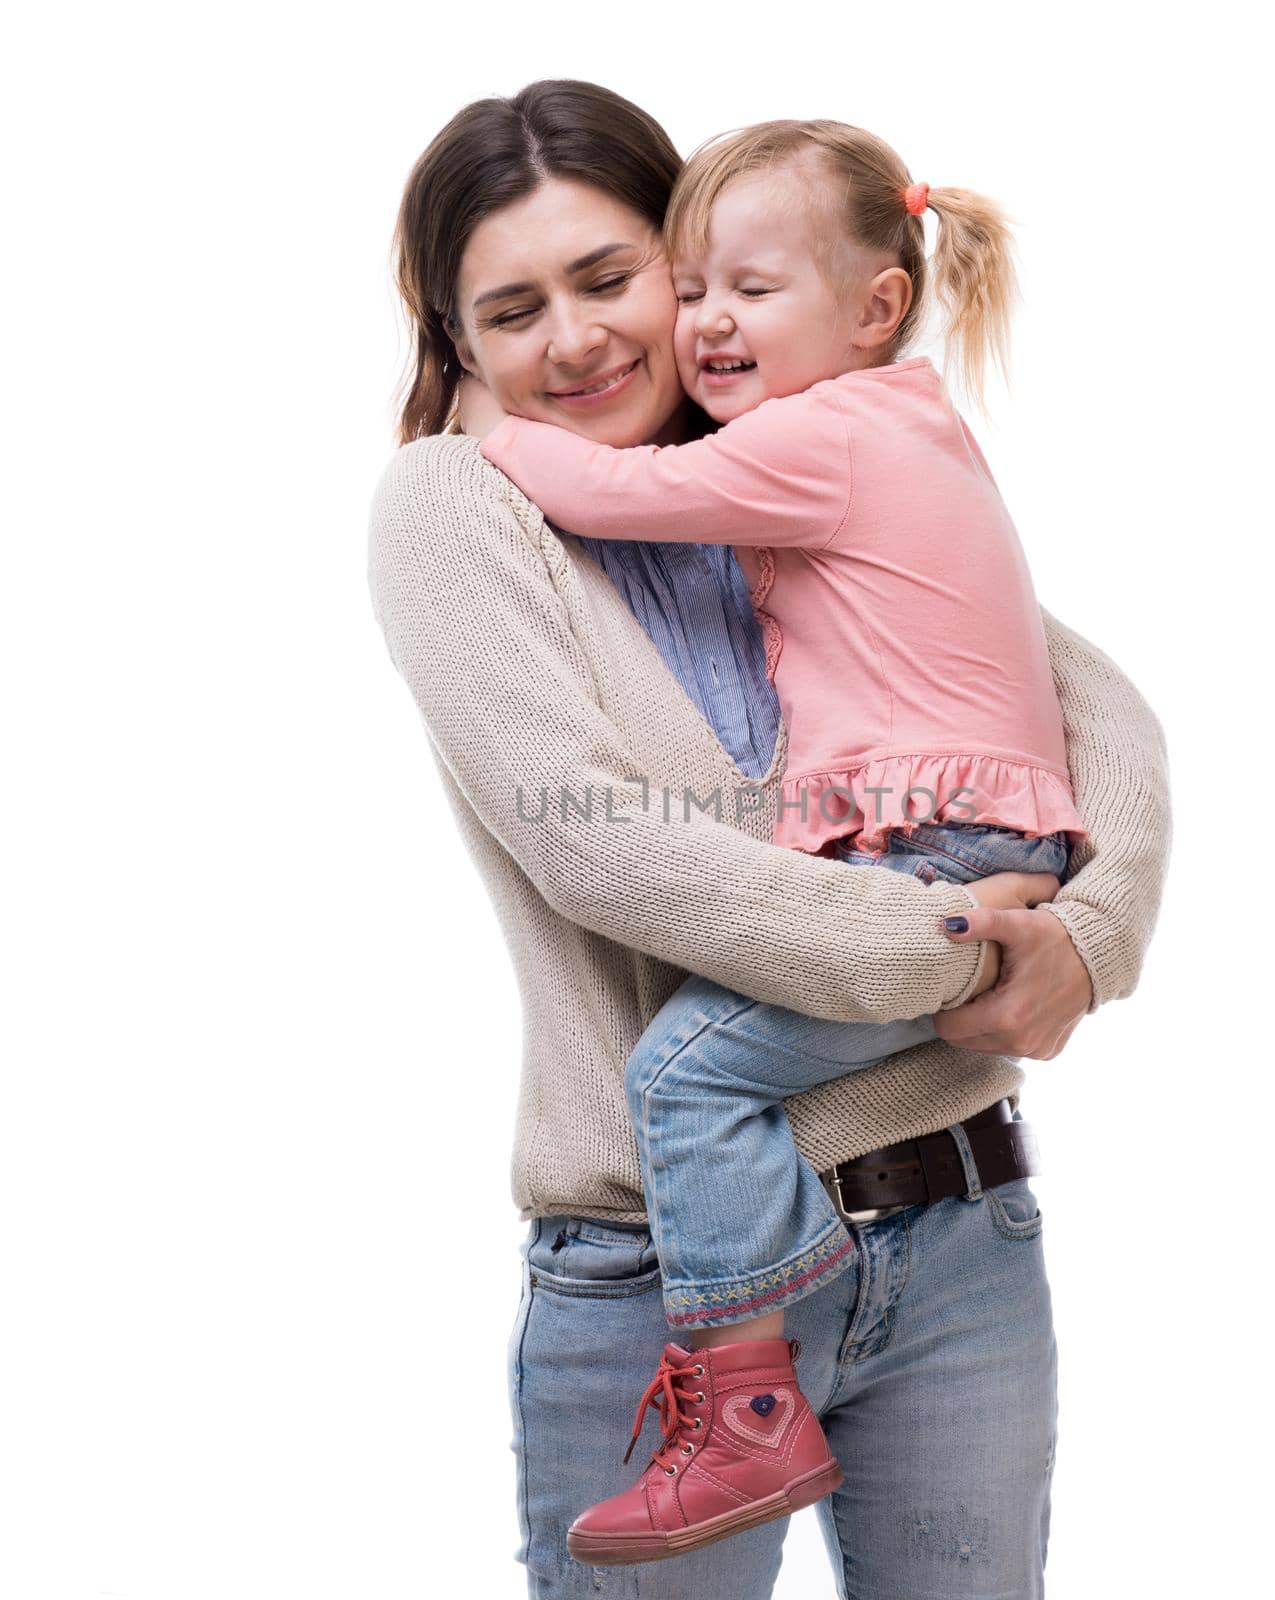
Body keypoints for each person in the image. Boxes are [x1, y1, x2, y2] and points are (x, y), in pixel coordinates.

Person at [369, 80, 1170, 1600]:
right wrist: (958, 953)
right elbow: (594, 843)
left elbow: (1096, 713)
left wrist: (1091, 934)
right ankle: (733, 1406)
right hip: (655, 1283)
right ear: (456, 345)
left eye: (614, 282)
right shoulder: (456, 508)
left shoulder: (795, 473)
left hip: (955, 1235)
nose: (579, 339)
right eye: (515, 310)